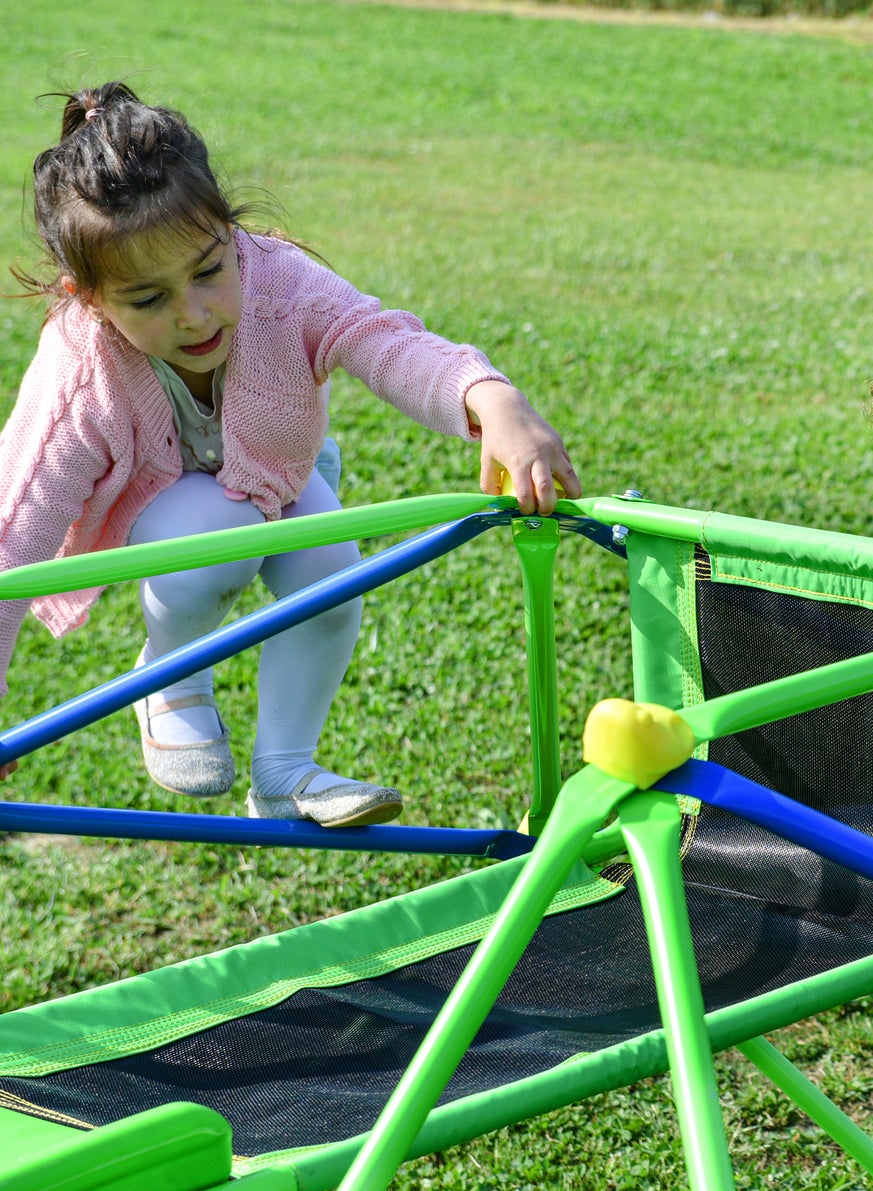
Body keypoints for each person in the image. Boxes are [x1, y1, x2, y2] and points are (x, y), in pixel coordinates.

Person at [0, 81, 579, 824]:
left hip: (275, 479)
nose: (195, 312)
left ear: (232, 234)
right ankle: (170, 678)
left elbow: (383, 341)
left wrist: (490, 399)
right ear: (89, 299)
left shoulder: (280, 282)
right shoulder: (79, 371)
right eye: (148, 299)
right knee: (217, 527)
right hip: (175, 518)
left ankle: (284, 771)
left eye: (209, 269)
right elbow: (13, 531)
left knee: (329, 570)